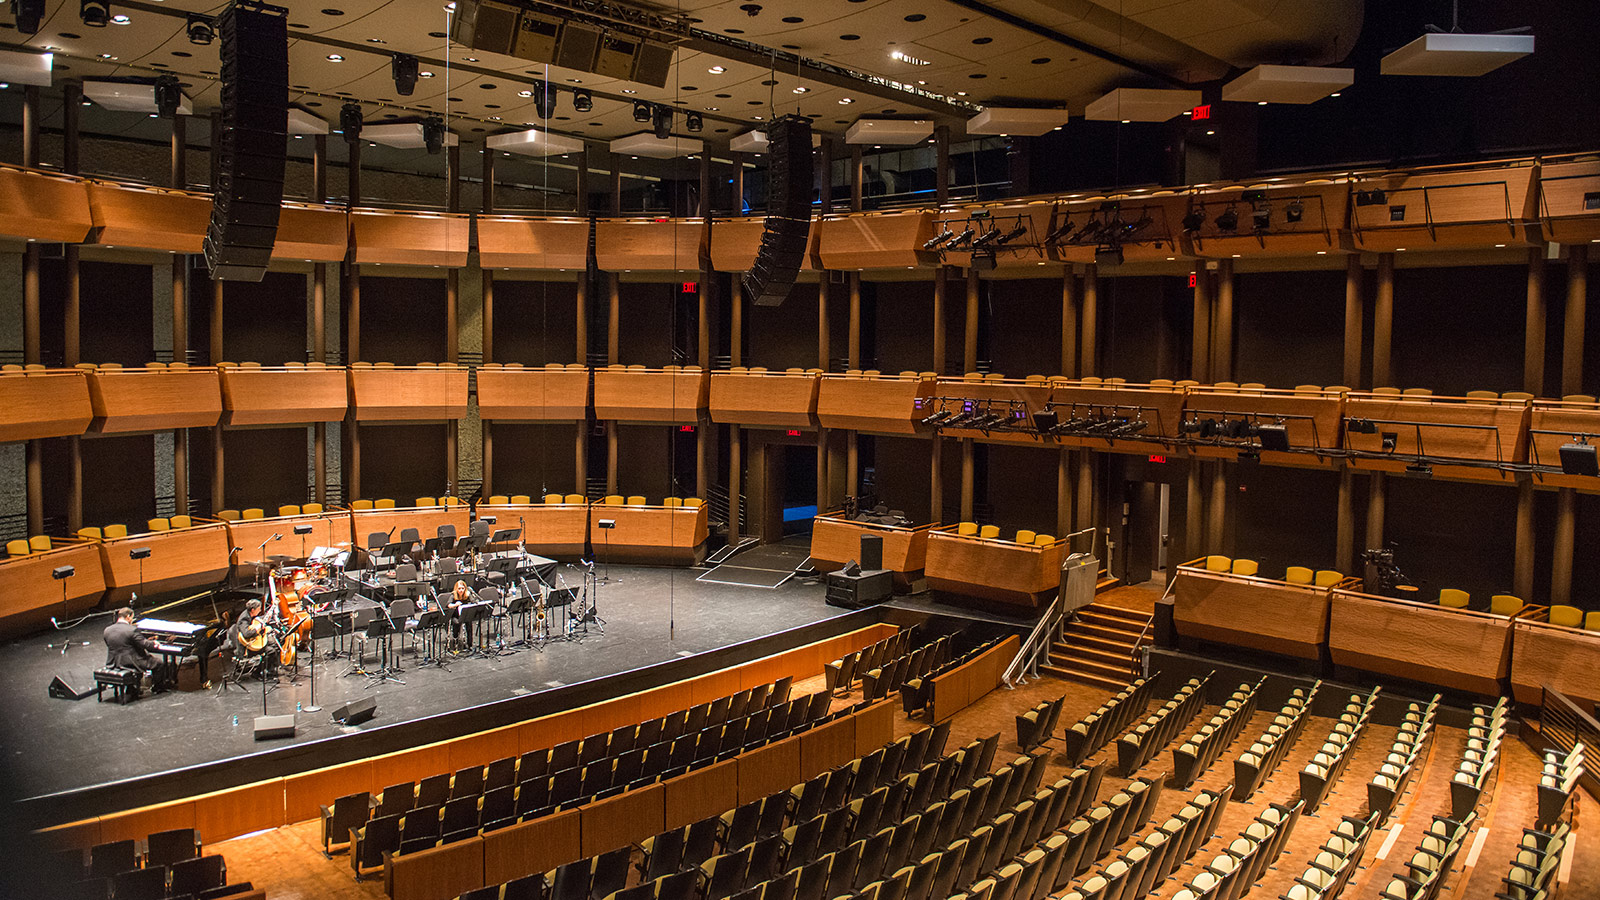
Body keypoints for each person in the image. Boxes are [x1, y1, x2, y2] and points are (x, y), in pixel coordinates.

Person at [103, 607, 169, 693]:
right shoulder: (132, 630)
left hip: (113, 661)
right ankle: (158, 687)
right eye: (132, 618)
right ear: (128, 617)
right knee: (158, 663)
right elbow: (144, 644)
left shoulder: (107, 630)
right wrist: (154, 643)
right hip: (131, 662)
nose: (132, 620)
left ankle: (132, 688)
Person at [227, 599, 280, 676]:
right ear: (253, 610)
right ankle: (257, 672)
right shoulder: (244, 619)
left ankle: (271, 670)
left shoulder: (250, 614)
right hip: (247, 647)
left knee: (273, 644)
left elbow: (257, 620)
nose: (260, 610)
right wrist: (257, 629)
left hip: (253, 641)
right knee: (271, 651)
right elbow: (246, 634)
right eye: (258, 609)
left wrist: (266, 618)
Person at [447, 579, 476, 650]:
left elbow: (474, 602)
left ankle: (470, 644)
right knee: (456, 623)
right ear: (456, 589)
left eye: (463, 588)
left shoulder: (467, 594)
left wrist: (470, 596)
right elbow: (448, 605)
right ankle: (455, 642)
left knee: (469, 624)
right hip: (455, 615)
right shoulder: (453, 595)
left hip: (465, 615)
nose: (461, 590)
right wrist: (455, 605)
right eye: (459, 588)